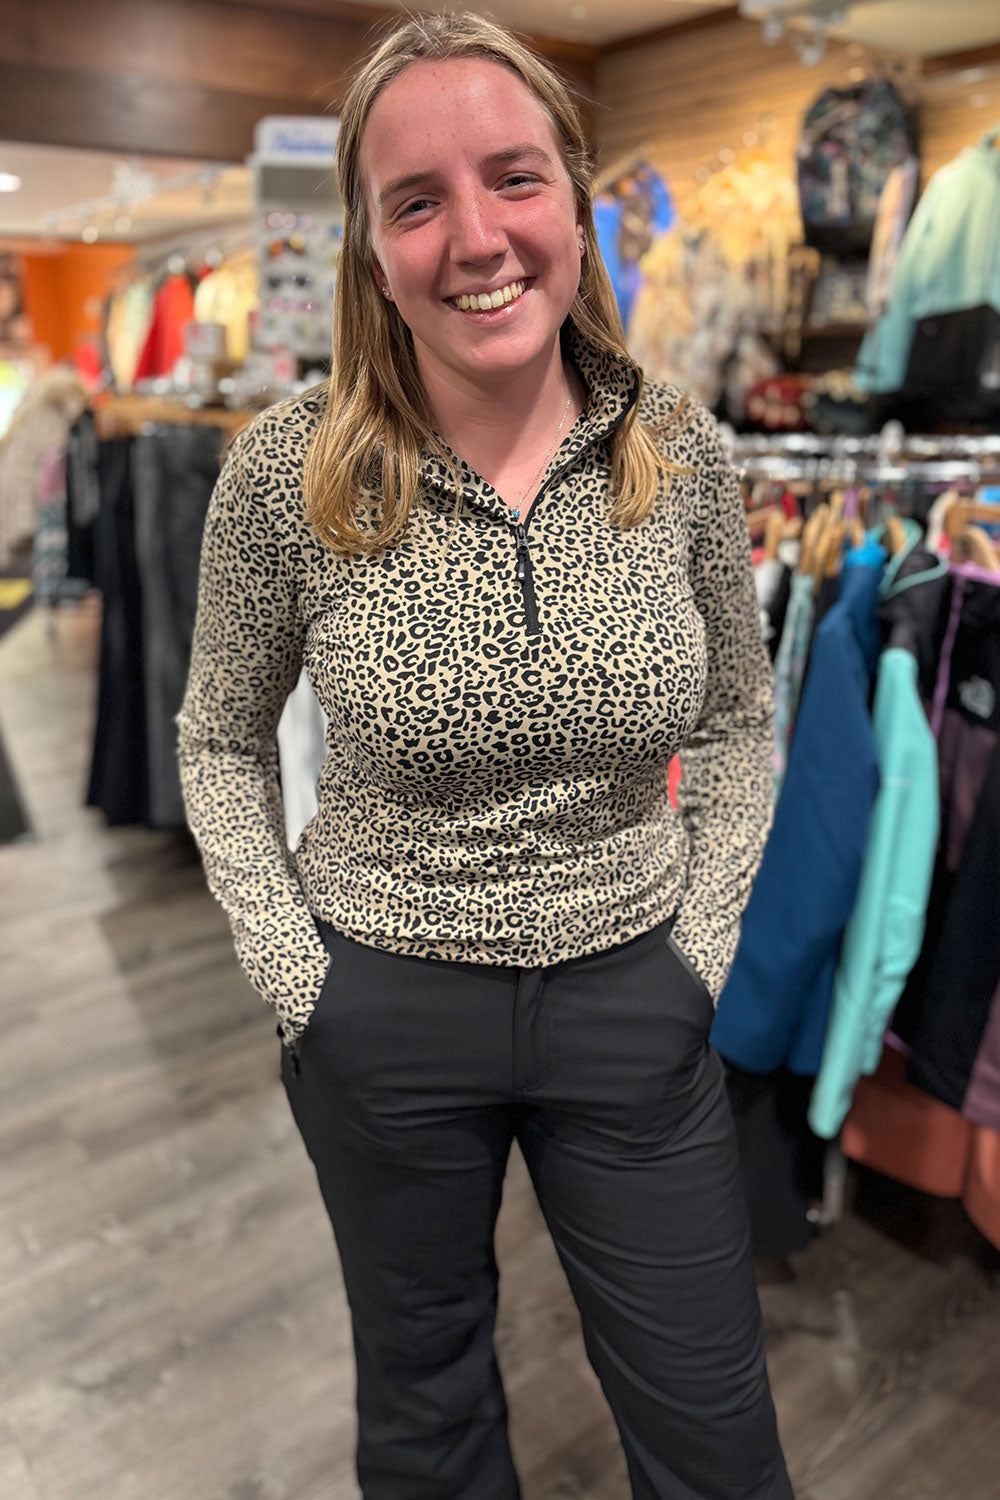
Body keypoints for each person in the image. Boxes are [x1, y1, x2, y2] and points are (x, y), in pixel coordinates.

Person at [178, 13, 793, 1499]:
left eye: (514, 178)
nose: (476, 237)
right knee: (429, 1409)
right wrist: (297, 973)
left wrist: (696, 947)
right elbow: (216, 739)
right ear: (370, 249)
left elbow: (737, 720)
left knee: (715, 1431)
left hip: (631, 996)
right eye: (417, 200)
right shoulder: (292, 469)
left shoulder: (682, 449)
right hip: (380, 1007)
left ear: (574, 202)